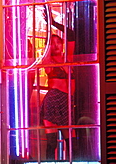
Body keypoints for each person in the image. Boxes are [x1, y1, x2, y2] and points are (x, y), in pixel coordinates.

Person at [40, 9, 76, 161]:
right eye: (52, 44)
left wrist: (53, 23)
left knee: (72, 140)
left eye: (58, 42)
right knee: (52, 141)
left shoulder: (69, 58)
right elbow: (46, 54)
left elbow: (72, 34)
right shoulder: (49, 62)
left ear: (62, 44)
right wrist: (49, 32)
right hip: (54, 99)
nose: (55, 46)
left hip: (68, 100)